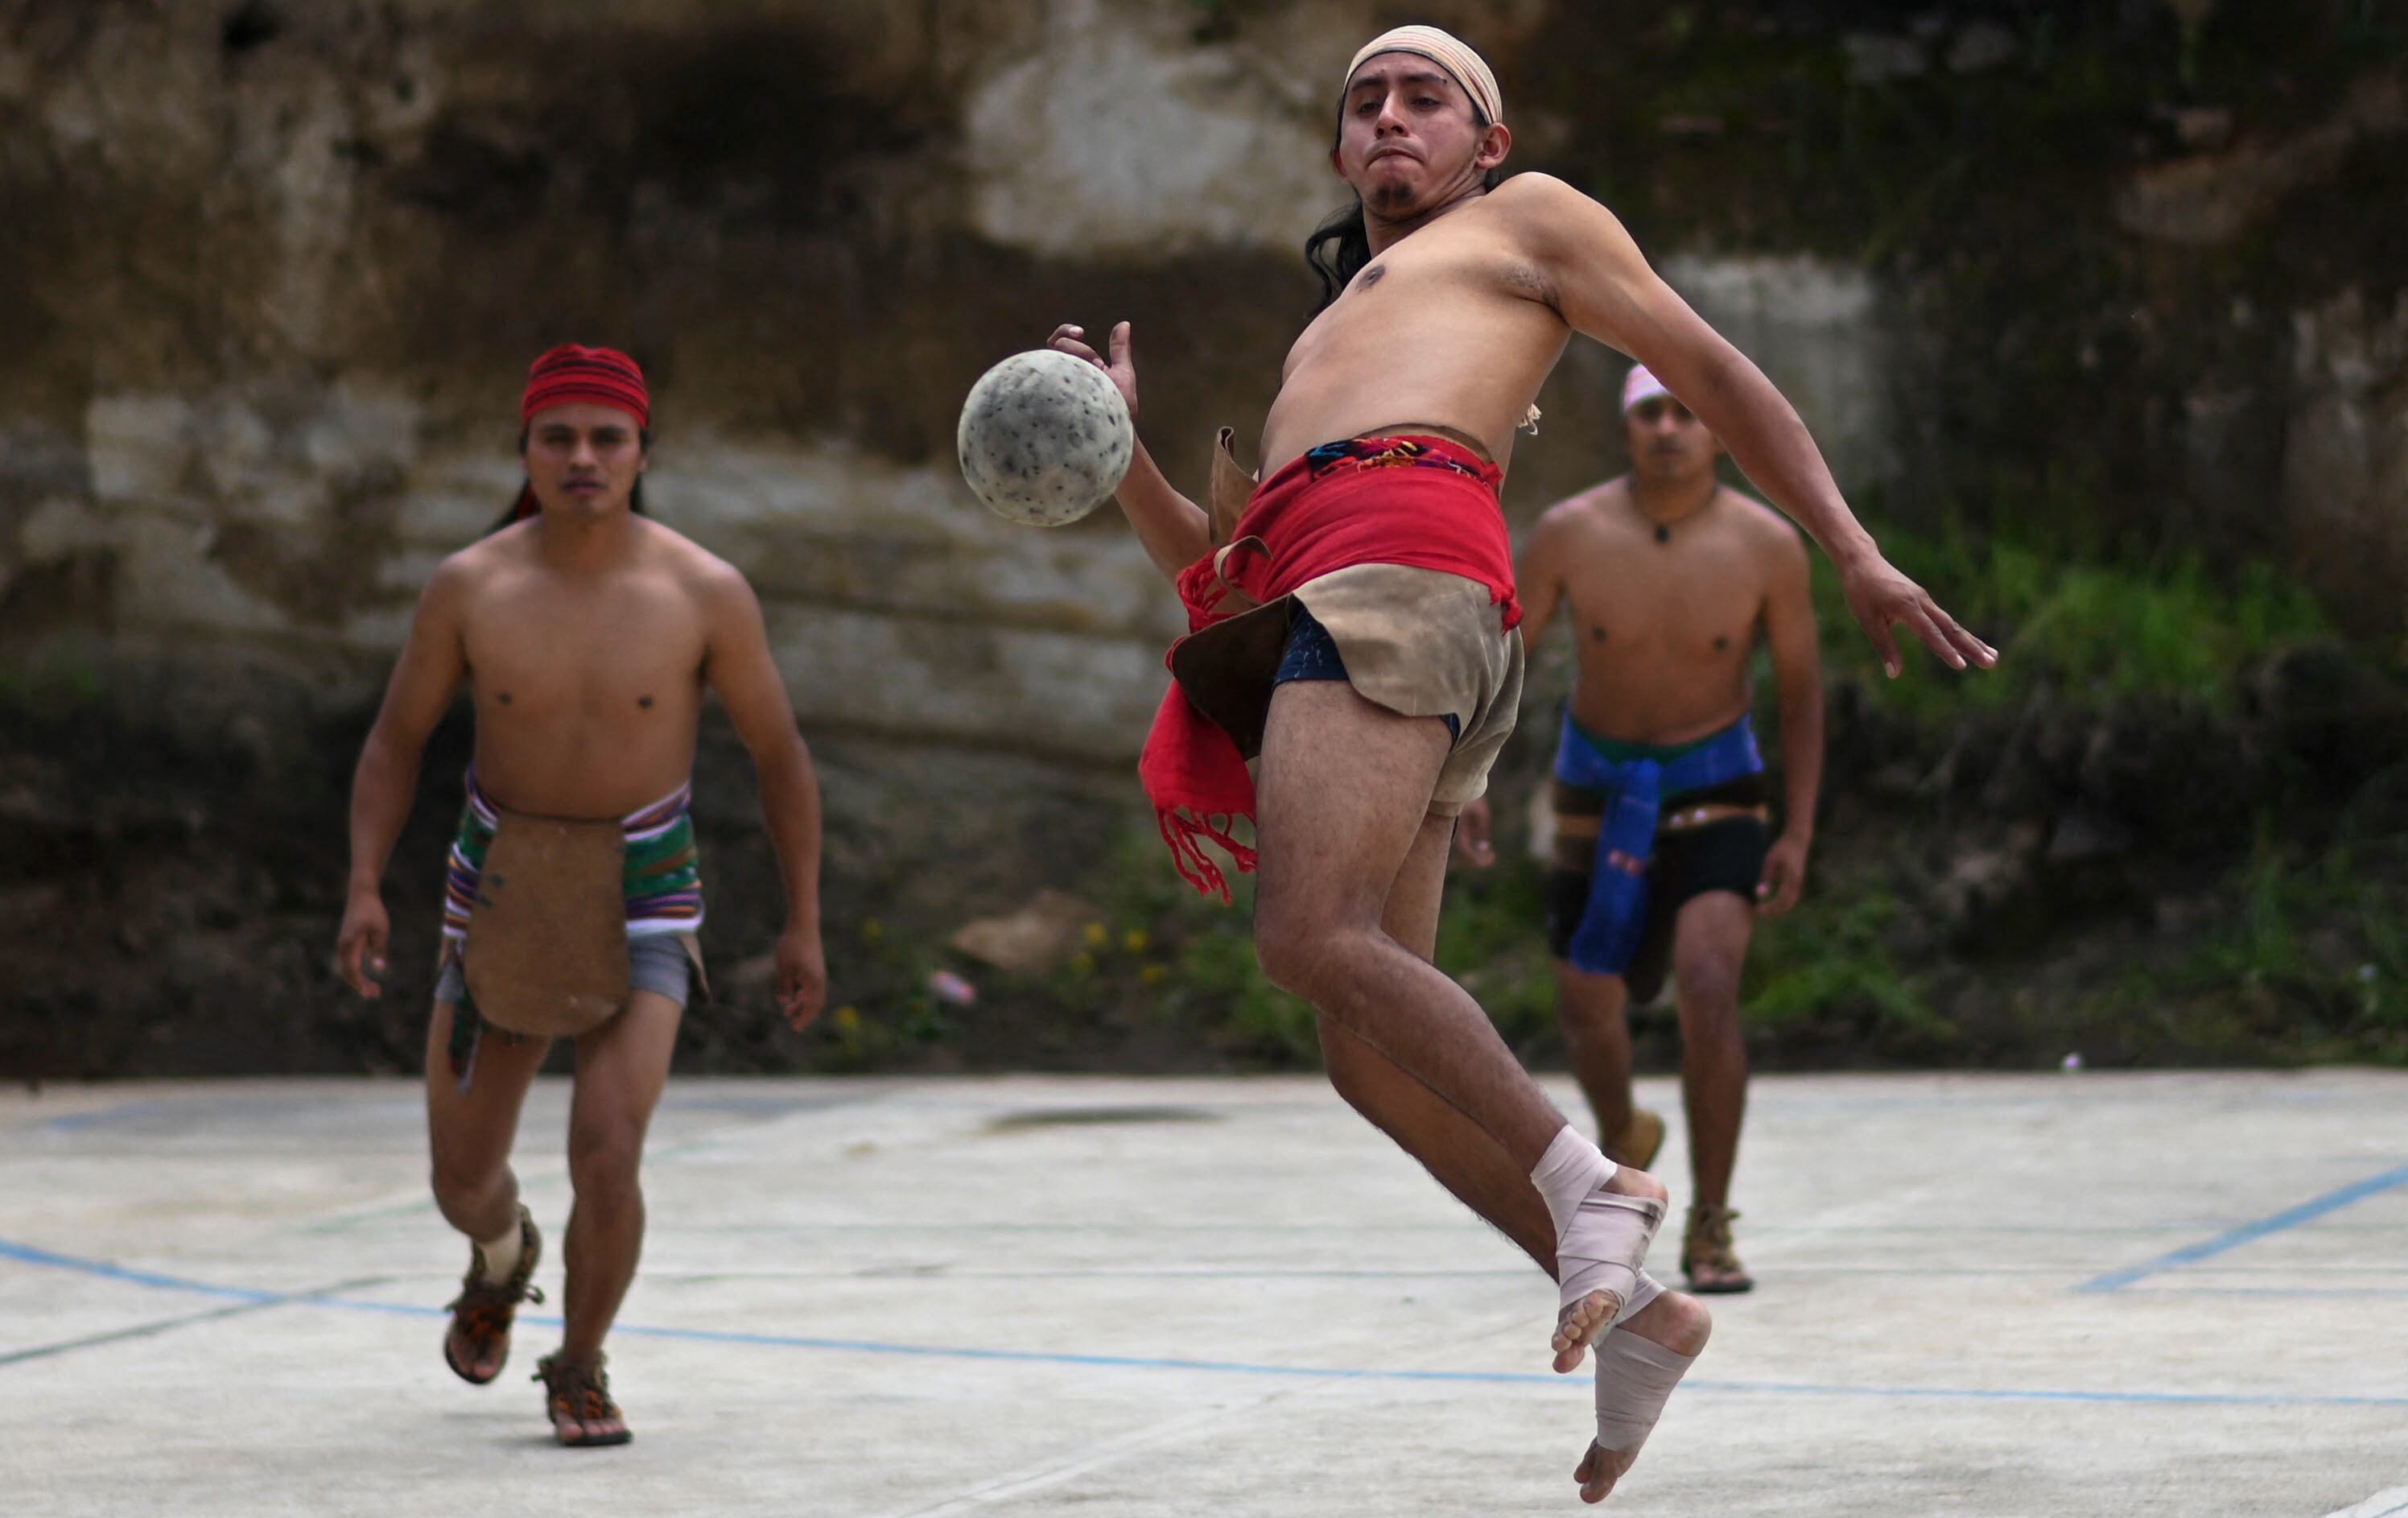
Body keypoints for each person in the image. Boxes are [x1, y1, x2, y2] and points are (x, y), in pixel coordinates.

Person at [1047, 24, 1992, 1504]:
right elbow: (1222, 578)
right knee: (1364, 1050)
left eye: (1426, 97)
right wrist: (1118, 452)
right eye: (1365, 100)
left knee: (1306, 935)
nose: (1390, 115)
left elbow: (1717, 372)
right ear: (1339, 149)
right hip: (1341, 602)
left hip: (1406, 575)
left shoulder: (1529, 218)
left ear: (1487, 145)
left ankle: (1592, 1186)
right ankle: (1639, 1314)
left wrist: (1852, 547)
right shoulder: (1324, 340)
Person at [335, 344, 829, 1446]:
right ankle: (502, 1254)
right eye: (557, 436)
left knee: (608, 1149)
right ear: (524, 451)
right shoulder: (470, 587)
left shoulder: (704, 591)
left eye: (608, 437)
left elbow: (781, 756)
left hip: (645, 886)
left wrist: (803, 917)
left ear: (645, 452)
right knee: (462, 1177)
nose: (583, 457)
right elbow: (394, 740)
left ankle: (579, 1362)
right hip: (501, 884)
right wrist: (365, 883)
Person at [1454, 363, 1825, 1295]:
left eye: (1685, 413)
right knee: (1585, 1004)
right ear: (1626, 426)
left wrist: (1798, 829)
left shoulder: (1768, 544)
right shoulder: (1570, 531)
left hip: (1716, 787)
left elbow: (1800, 696)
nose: (1667, 428)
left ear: (1718, 432)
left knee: (1710, 986)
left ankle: (1711, 1220)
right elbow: (1507, 657)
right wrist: (1469, 772)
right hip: (1596, 787)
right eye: (1649, 411)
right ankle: (1621, 1131)